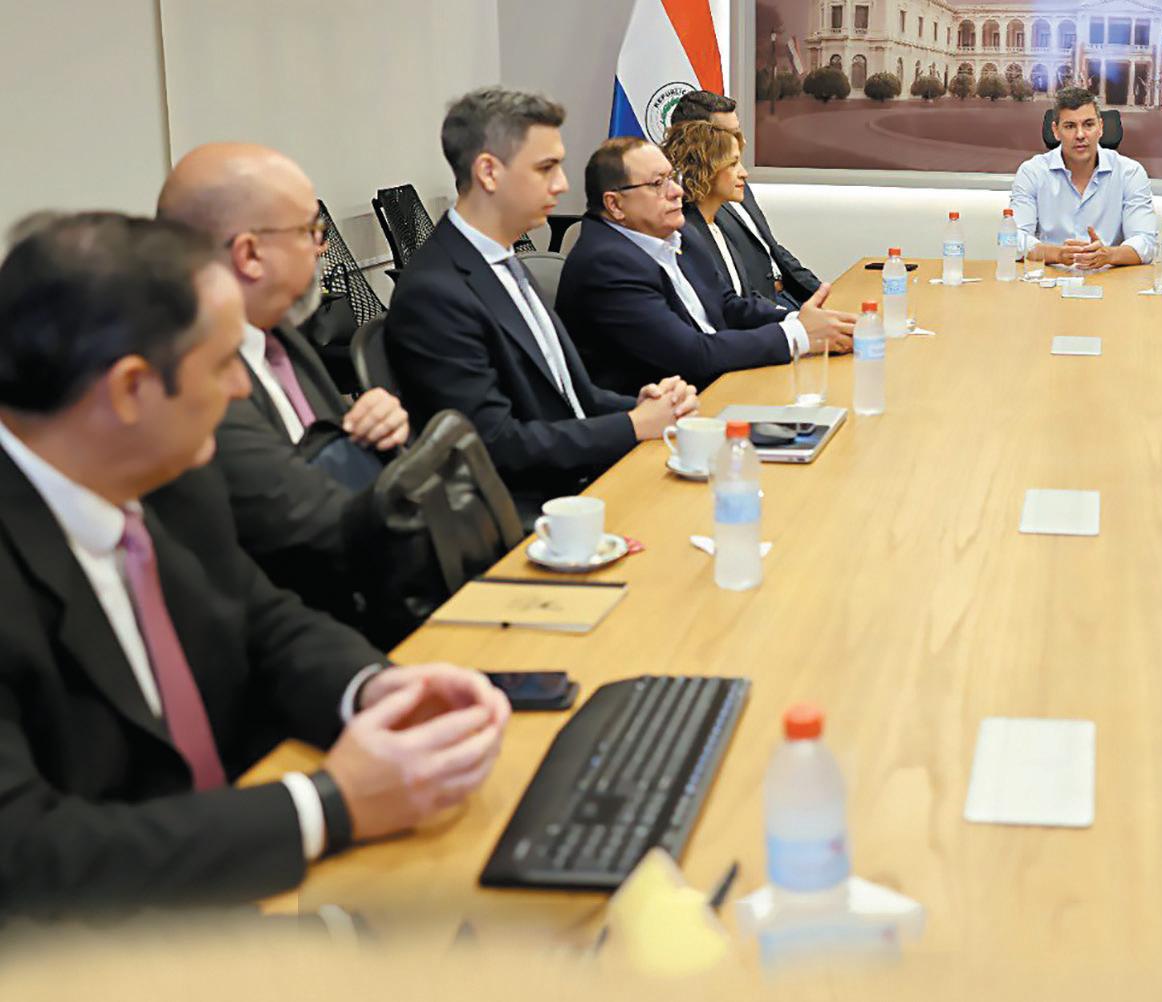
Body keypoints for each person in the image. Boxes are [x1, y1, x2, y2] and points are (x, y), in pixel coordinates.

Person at [0, 212, 510, 916]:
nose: (243, 390)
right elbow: (24, 854)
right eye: (221, 365)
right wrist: (327, 804)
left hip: (232, 868)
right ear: (129, 390)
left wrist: (374, 690)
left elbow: (261, 619)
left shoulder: (171, 476)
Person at [384, 88, 696, 518]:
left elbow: (566, 398)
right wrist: (632, 425)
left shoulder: (501, 259)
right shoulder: (435, 292)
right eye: (546, 168)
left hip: (577, 481)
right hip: (529, 516)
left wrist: (644, 407)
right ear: (489, 172)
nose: (562, 184)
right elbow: (494, 445)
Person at [155, 142, 407, 627]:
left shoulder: (280, 334)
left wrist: (379, 433)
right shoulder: (193, 378)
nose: (323, 246)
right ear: (250, 254)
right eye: (310, 231)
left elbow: (337, 460)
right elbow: (317, 527)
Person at [557, 135, 853, 393]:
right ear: (615, 205)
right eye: (658, 184)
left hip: (716, 385)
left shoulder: (679, 232)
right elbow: (690, 355)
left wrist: (796, 319)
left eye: (672, 178)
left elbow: (727, 306)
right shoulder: (606, 264)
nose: (677, 191)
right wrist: (799, 334)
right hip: (657, 416)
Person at [667, 90, 821, 310]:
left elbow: (770, 247)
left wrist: (823, 293)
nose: (741, 141)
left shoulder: (737, 185)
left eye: (738, 132)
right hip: (759, 308)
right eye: (728, 134)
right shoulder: (692, 213)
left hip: (785, 297)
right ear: (699, 145)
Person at [1009, 87, 1157, 269]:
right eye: (1070, 126)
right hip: (1050, 277)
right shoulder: (1032, 172)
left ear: (1100, 127)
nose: (1080, 135)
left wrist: (1108, 255)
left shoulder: (1129, 173)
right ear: (1055, 131)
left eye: (1088, 124)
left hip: (1109, 278)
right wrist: (1057, 254)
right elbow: (1013, 239)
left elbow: (1146, 242)